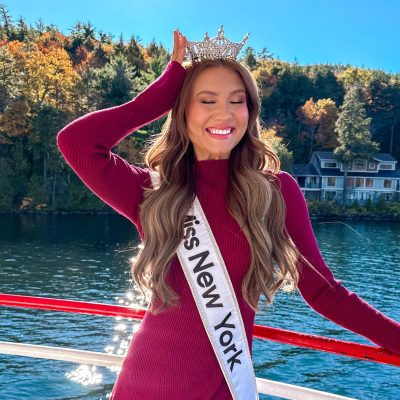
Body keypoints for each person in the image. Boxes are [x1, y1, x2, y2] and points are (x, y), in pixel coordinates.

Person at [56, 28, 400, 399]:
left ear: (250, 111)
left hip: (221, 386)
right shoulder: (153, 191)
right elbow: (76, 142)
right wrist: (161, 92)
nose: (224, 113)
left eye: (238, 101)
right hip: (140, 385)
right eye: (207, 100)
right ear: (182, 109)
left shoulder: (275, 192)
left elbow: (324, 292)